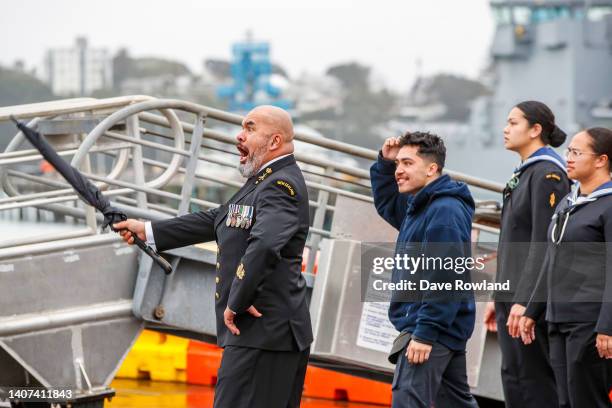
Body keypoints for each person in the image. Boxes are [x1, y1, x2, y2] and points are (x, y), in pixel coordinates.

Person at [114, 105, 313, 408]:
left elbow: (265, 244)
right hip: (261, 336)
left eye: (249, 128)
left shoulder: (280, 185)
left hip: (266, 334)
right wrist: (149, 231)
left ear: (274, 142)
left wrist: (238, 300)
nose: (239, 135)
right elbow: (220, 219)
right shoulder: (264, 181)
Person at [370, 131, 479, 408]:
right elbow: (389, 205)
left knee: (408, 401)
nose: (399, 171)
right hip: (442, 327)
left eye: (407, 163)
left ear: (432, 168)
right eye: (398, 165)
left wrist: (425, 332)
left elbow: (445, 275)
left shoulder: (443, 211)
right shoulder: (422, 205)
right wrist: (384, 162)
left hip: (430, 329)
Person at [482, 101, 570, 407]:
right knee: (514, 375)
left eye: (513, 122)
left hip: (528, 299)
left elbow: (544, 243)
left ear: (535, 130)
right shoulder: (527, 173)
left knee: (534, 381)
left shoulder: (548, 175)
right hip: (512, 294)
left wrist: (526, 301)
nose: (505, 129)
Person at [520, 127, 612, 408]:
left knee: (587, 400)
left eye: (576, 152)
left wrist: (607, 327)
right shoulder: (568, 203)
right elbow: (551, 257)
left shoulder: (608, 206)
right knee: (565, 401)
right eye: (568, 151)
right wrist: (532, 310)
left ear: (601, 160)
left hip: (589, 321)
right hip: (558, 318)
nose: (568, 158)